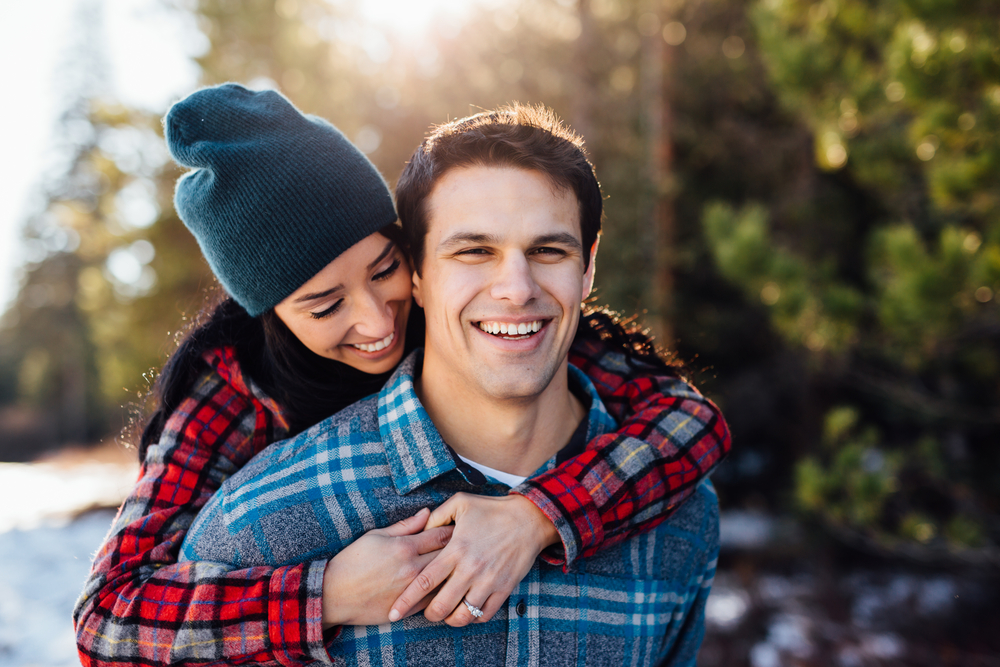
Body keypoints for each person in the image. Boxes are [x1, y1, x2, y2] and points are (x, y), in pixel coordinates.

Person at [73, 84, 730, 666]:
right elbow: (108, 620)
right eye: (326, 305)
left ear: (412, 261)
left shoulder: (505, 317)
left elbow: (689, 423)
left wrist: (536, 516)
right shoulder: (234, 400)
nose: (378, 318)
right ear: (272, 314)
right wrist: (325, 592)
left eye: (383, 269)